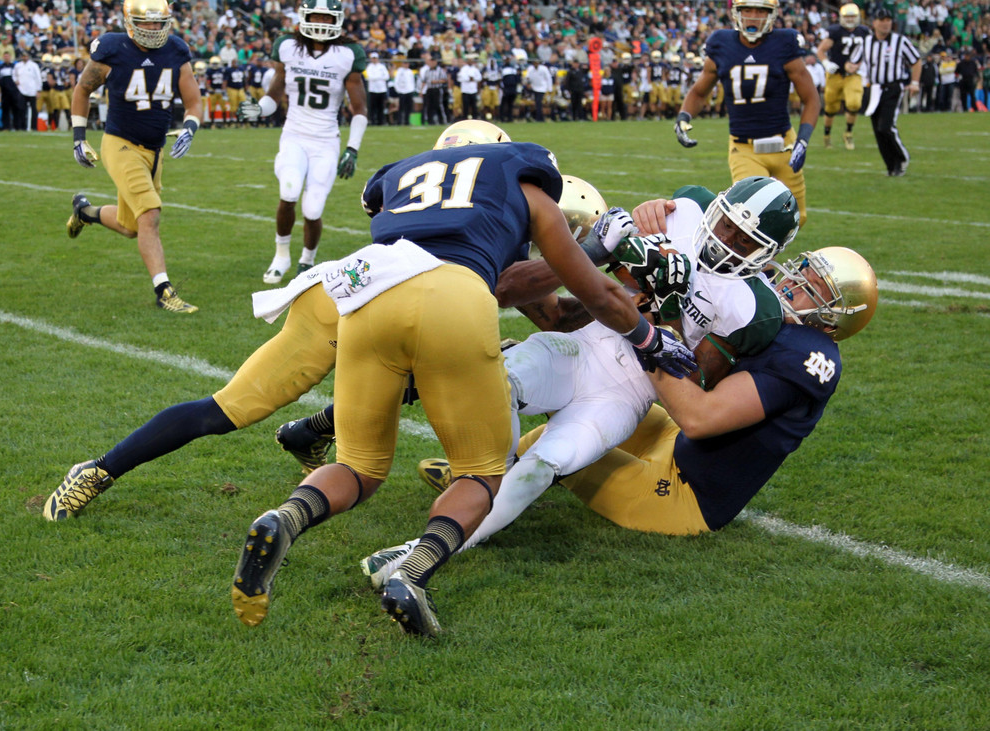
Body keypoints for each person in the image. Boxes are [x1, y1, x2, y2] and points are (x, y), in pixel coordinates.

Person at [228, 123, 694, 637]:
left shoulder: (409, 179)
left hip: (369, 294)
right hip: (455, 303)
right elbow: (583, 296)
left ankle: (286, 518)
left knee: (358, 466)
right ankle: (413, 570)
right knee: (480, 472)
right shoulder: (526, 190)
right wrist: (651, 337)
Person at [362, 246, 877, 582]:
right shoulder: (769, 312)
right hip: (675, 438)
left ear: (835, 320)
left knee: (553, 456)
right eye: (801, 271)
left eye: (810, 287)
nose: (791, 284)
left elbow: (698, 414)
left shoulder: (810, 358)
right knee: (545, 408)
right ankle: (484, 474)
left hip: (684, 492)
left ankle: (442, 534)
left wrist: (649, 339)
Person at [66, 0, 203, 313]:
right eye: (147, 23)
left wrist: (190, 128)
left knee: (132, 227)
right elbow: (82, 90)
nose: (154, 29)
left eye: (159, 22)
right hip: (120, 144)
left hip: (154, 149)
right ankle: (164, 291)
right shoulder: (112, 49)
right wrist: (78, 138)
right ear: (129, 21)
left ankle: (85, 212)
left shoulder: (176, 51)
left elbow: (194, 101)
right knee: (150, 214)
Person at [236, 0, 368, 285]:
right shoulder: (287, 47)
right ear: (304, 17)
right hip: (294, 135)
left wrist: (352, 148)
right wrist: (259, 109)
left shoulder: (348, 54)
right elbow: (274, 95)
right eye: (315, 16)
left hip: (326, 140)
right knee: (289, 189)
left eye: (326, 17)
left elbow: (359, 109)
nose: (320, 22)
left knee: (313, 208)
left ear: (337, 20)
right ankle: (281, 255)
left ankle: (307, 260)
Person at [675, 0, 819, 226]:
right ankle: (759, 263)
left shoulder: (784, 43)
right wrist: (684, 116)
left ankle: (772, 260)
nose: (753, 16)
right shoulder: (722, 44)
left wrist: (803, 140)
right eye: (747, 10)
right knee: (752, 218)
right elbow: (699, 92)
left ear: (772, 15)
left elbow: (811, 98)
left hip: (784, 145)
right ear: (736, 13)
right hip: (744, 148)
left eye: (761, 10)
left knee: (796, 219)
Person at [847, 8, 921, 176]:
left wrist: (915, 82)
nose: (886, 23)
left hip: (893, 87)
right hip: (873, 89)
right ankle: (891, 166)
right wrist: (850, 67)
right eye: (882, 20)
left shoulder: (899, 41)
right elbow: (852, 61)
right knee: (877, 130)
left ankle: (902, 158)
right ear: (874, 23)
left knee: (886, 127)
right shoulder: (865, 42)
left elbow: (916, 61)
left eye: (888, 20)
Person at [816, 2, 870, 150]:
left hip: (853, 74)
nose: (850, 19)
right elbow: (820, 50)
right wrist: (826, 63)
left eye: (853, 16)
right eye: (847, 16)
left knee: (854, 103)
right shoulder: (835, 31)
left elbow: (869, 53)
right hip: (835, 74)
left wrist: (857, 65)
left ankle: (848, 133)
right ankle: (827, 135)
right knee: (831, 107)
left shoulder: (864, 32)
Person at [364, 51, 389, 126]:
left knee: (381, 107)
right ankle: (373, 120)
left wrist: (376, 78)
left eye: (375, 58)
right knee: (372, 107)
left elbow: (386, 76)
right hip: (373, 90)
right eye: (373, 58)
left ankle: (381, 121)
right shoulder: (369, 67)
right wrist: (379, 77)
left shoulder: (382, 67)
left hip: (381, 89)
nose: (374, 60)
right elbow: (368, 77)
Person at [391, 55, 415, 126]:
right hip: (402, 91)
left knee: (408, 107)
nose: (406, 65)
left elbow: (412, 81)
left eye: (407, 63)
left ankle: (407, 121)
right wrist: (398, 90)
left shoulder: (410, 71)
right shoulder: (399, 71)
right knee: (401, 107)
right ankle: (399, 121)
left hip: (409, 91)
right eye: (405, 63)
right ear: (402, 64)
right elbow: (396, 81)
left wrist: (412, 89)